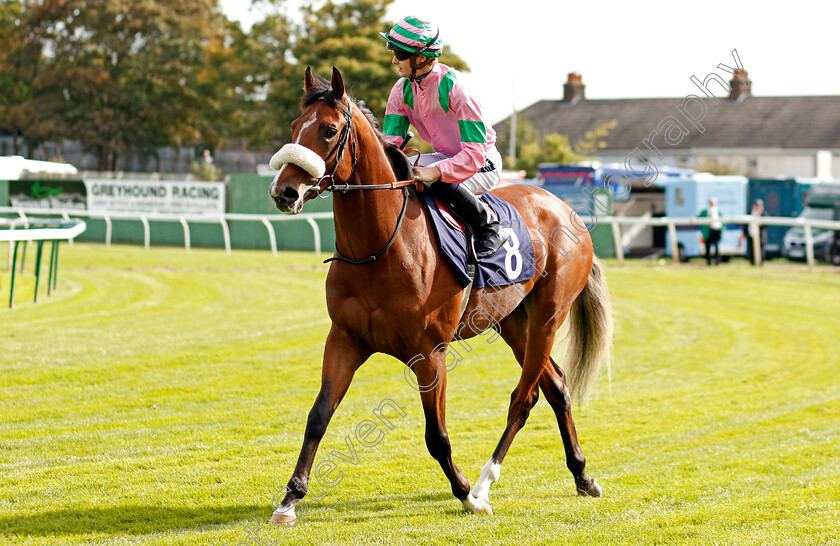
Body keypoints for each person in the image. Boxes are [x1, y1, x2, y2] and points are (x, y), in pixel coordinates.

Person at [379, 16, 508, 261]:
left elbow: (474, 153)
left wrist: (436, 172)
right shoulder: (401, 89)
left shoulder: (458, 90)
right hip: (444, 156)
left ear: (421, 57)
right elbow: (390, 145)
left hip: (481, 162)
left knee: (434, 181)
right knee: (398, 171)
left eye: (399, 53)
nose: (394, 59)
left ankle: (489, 227)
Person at [699, 197, 722, 265]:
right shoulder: (705, 211)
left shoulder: (718, 211)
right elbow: (699, 217)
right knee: (707, 246)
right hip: (709, 230)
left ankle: (717, 261)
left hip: (716, 230)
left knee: (716, 246)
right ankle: (709, 261)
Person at [744, 199, 767, 266]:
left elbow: (766, 224)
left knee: (761, 250)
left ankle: (760, 263)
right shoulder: (749, 213)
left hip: (760, 236)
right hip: (751, 234)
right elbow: (745, 224)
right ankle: (752, 262)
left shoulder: (763, 213)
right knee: (751, 250)